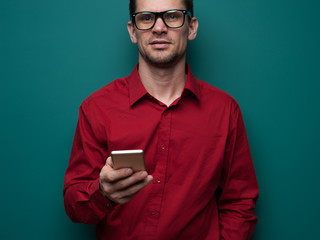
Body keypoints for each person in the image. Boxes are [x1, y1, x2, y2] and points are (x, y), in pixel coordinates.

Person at [63, 0, 259, 239]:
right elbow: (75, 205)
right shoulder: (97, 108)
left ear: (192, 27)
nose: (158, 28)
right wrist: (102, 193)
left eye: (173, 16)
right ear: (133, 31)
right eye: (146, 18)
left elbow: (240, 201)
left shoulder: (225, 110)